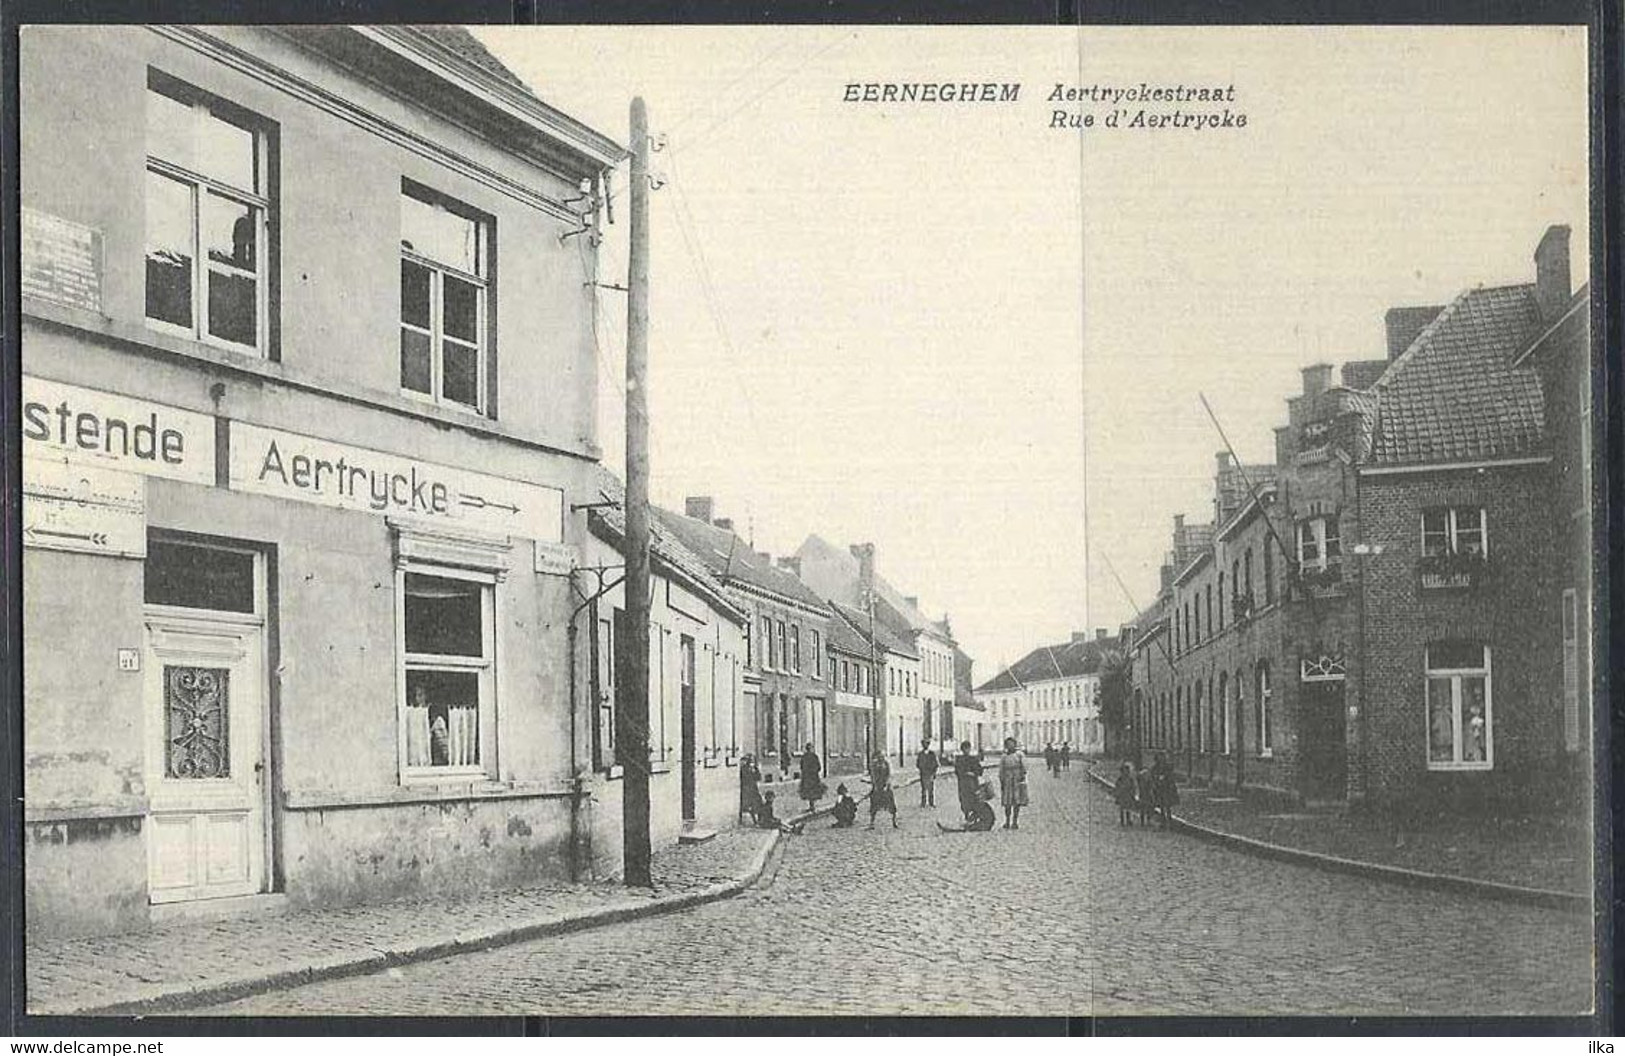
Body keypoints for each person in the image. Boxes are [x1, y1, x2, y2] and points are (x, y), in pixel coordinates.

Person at [998, 737, 1028, 830]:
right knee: (1007, 802)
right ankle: (1007, 821)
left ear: (1015, 745)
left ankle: (1015, 821)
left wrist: (1022, 776)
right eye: (1008, 744)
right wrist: (1001, 779)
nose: (1010, 746)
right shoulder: (1004, 756)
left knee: (1016, 801)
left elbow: (1024, 767)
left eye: (1012, 744)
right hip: (1007, 779)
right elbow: (1001, 769)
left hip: (1016, 779)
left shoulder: (1019, 755)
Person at [953, 740, 983, 821]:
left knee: (974, 800)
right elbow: (957, 771)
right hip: (963, 784)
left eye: (968, 748)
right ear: (962, 750)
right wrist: (964, 774)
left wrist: (973, 774)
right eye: (964, 749)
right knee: (964, 800)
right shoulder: (959, 760)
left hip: (973, 783)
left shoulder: (974, 759)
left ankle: (975, 817)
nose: (966, 750)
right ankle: (966, 816)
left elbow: (980, 770)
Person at [867, 751, 898, 829]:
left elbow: (889, 775)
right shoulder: (874, 764)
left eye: (883, 756)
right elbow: (873, 775)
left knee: (891, 805)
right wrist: (875, 785)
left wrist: (887, 784)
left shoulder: (886, 764)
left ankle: (894, 821)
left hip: (886, 787)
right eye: (880, 756)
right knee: (874, 805)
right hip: (877, 786)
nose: (882, 758)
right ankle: (872, 823)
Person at [1149, 753, 1179, 829]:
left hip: (1167, 788)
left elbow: (1170, 777)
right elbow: (1152, 777)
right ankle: (1163, 820)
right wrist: (1156, 781)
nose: (1161, 760)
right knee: (1161, 805)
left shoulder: (1167, 767)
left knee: (1168, 805)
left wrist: (1166, 778)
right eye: (1159, 759)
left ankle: (1169, 820)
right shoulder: (1154, 768)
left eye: (1162, 758)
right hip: (1159, 789)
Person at [798, 742, 825, 813]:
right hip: (813, 777)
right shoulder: (814, 756)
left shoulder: (804, 757)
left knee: (808, 791)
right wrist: (814, 771)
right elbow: (819, 767)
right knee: (813, 791)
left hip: (807, 777)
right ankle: (812, 806)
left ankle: (811, 805)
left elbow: (801, 767)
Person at [738, 753, 764, 825]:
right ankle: (751, 821)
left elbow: (758, 778)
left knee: (759, 804)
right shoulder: (744, 769)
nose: (751, 762)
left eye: (752, 761)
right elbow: (744, 778)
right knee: (748, 806)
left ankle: (760, 820)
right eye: (750, 761)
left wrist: (756, 770)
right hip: (746, 790)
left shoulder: (754, 768)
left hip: (754, 789)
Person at [1113, 761, 1139, 827]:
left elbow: (1134, 786)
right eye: (1124, 770)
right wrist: (1117, 793)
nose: (1125, 772)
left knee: (1129, 808)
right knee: (1122, 808)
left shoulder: (1131, 779)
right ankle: (1122, 820)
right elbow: (1117, 786)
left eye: (1127, 770)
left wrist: (1135, 794)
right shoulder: (1120, 779)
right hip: (1122, 795)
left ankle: (1128, 820)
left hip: (1129, 794)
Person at [915, 739, 939, 807]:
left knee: (931, 788)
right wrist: (921, 768)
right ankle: (923, 802)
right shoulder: (920, 754)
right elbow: (918, 763)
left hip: (930, 773)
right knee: (923, 788)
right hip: (923, 774)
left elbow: (936, 764)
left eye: (926, 744)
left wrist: (934, 772)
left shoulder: (932, 754)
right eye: (923, 744)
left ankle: (931, 802)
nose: (925, 745)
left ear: (928, 745)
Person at [1135, 762, 1153, 827]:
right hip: (1144, 793)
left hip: (1145, 793)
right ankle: (1146, 820)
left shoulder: (1141, 775)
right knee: (1146, 807)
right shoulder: (1142, 775)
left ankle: (1145, 821)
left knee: (1146, 807)